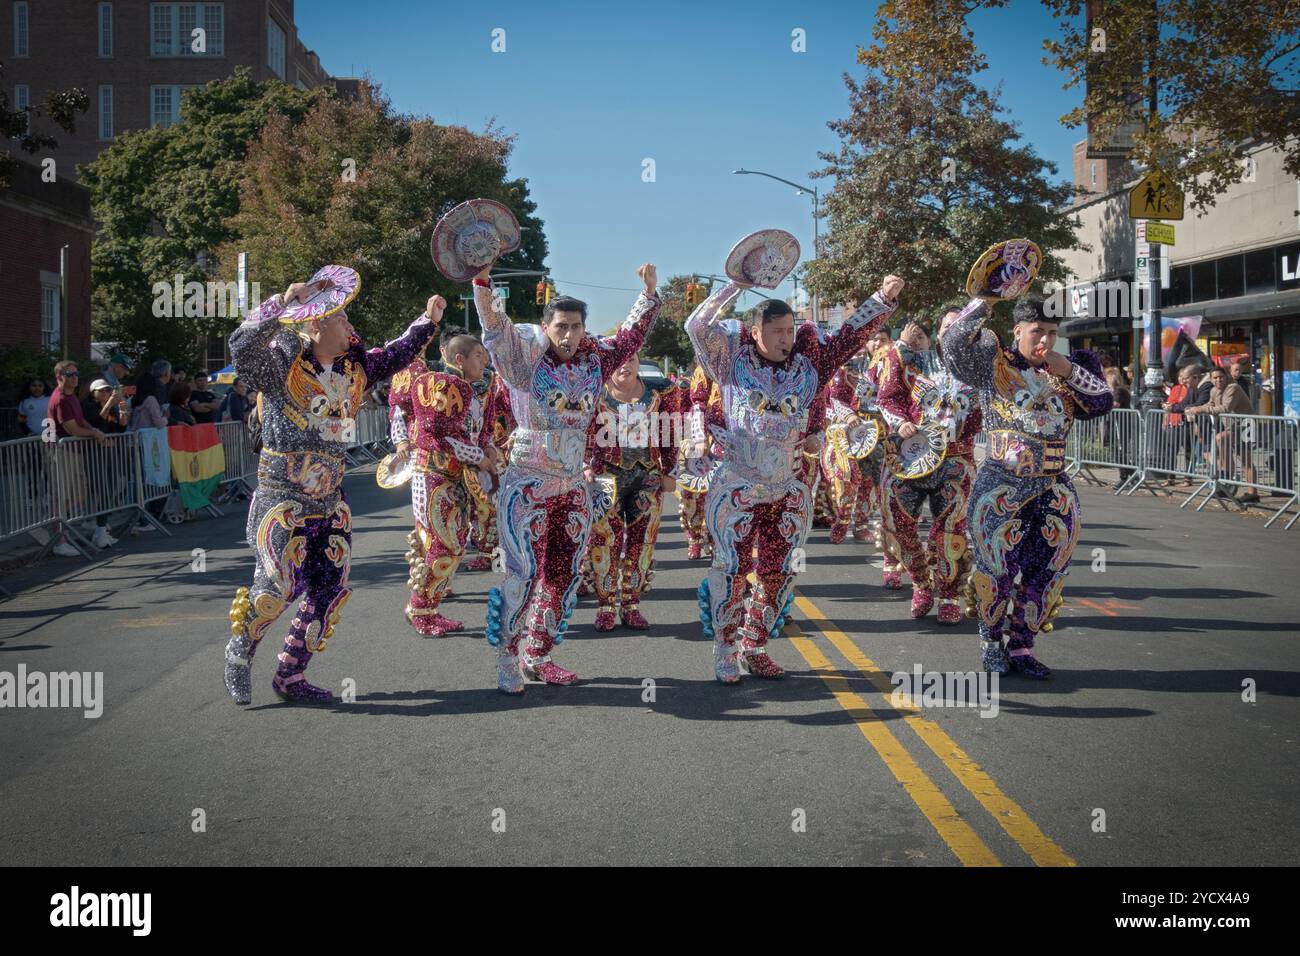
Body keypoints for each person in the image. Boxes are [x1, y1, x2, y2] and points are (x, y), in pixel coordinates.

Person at [222, 272, 441, 706]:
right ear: (317, 324)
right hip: (282, 495)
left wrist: (427, 321)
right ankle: (239, 651)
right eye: (342, 320)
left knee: (328, 589)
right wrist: (281, 304)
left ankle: (290, 674)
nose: (350, 328)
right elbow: (240, 348)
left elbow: (397, 353)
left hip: (330, 498)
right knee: (276, 585)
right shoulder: (283, 361)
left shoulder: (355, 368)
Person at [684, 270, 903, 683]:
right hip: (737, 486)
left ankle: (756, 643)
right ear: (755, 331)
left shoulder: (809, 366)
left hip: (787, 489)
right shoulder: (730, 361)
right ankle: (726, 648)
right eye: (777, 331)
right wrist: (737, 285)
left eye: (789, 331)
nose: (786, 338)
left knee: (779, 571)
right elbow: (696, 325)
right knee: (731, 570)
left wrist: (881, 298)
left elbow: (848, 336)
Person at [473, 262, 661, 693]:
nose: (568, 335)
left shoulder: (596, 359)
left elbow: (630, 337)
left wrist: (647, 295)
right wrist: (482, 283)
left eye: (576, 327)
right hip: (527, 486)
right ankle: (508, 657)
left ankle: (538, 653)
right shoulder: (524, 359)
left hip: (573, 487)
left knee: (562, 574)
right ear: (546, 326)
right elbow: (497, 329)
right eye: (561, 326)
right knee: (521, 574)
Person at [940, 295, 1112, 679]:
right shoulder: (993, 360)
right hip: (1000, 485)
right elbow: (952, 345)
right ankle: (990, 644)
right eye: (1038, 332)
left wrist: (1066, 370)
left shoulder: (1071, 367)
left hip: (1054, 487)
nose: (1046, 341)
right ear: (1018, 330)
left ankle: (1021, 646)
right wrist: (983, 300)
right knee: (996, 569)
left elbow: (1102, 403)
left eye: (1053, 333)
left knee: (1047, 572)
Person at [387, 332, 493, 636]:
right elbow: (442, 436)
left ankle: (431, 607)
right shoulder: (439, 384)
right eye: (478, 356)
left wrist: (486, 448)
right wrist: (479, 457)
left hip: (456, 475)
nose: (484, 361)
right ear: (459, 359)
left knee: (456, 542)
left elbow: (474, 430)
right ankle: (419, 608)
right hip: (432, 473)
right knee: (442, 543)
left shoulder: (471, 388)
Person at [586, 350, 684, 631]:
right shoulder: (594, 394)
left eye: (631, 360)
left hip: (648, 479)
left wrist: (670, 471)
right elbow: (582, 432)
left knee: (643, 545)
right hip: (606, 478)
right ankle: (605, 605)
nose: (625, 366)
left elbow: (670, 435)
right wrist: (584, 465)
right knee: (606, 543)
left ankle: (631, 603)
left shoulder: (659, 394)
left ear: (638, 363)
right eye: (618, 361)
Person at [46, 361, 113, 553]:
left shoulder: (71, 397)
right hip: (62, 451)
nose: (75, 377)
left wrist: (93, 429)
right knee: (66, 496)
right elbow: (71, 428)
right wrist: (94, 434)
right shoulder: (61, 399)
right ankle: (59, 540)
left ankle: (54, 523)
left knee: (80, 494)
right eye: (69, 374)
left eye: (76, 373)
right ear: (59, 377)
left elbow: (80, 420)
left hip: (74, 451)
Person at [1186, 364, 1258, 502]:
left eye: (1221, 377)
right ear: (1211, 380)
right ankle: (1228, 479)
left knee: (1245, 459)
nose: (1218, 380)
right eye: (1215, 378)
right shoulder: (1214, 391)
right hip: (1232, 426)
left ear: (1226, 377)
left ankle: (1251, 492)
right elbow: (1210, 405)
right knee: (1222, 441)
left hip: (1245, 425)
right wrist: (1195, 408)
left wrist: (1200, 410)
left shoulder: (1233, 388)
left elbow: (1226, 407)